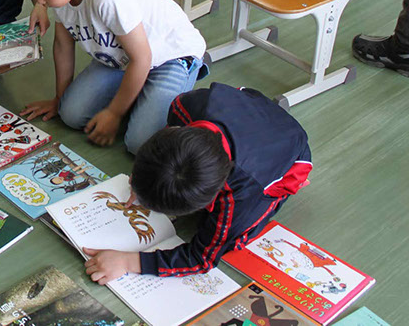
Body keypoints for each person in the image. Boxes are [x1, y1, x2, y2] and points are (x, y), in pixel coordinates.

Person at [8, 0, 206, 154]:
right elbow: (62, 44)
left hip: (169, 55)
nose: (40, 2)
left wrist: (114, 113)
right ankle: (139, 93)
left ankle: (165, 88)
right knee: (70, 114)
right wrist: (59, 99)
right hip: (121, 57)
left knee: (139, 143)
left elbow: (142, 58)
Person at [81, 83, 312, 282]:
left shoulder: (242, 194)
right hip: (248, 110)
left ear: (210, 199)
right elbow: (166, 150)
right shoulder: (183, 107)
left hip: (288, 154)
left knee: (232, 240)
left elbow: (202, 259)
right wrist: (141, 183)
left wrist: (128, 261)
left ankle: (289, 187)